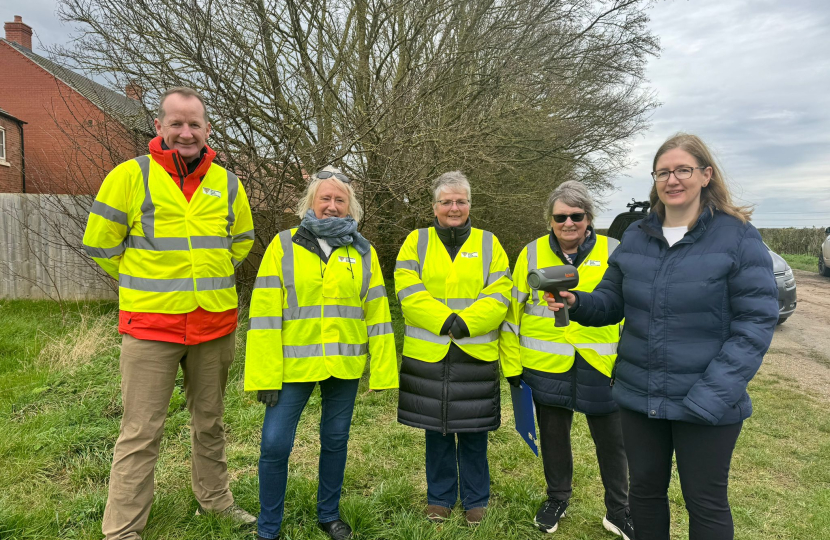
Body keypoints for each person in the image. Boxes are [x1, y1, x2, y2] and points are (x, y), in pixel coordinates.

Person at [544, 133, 778, 540]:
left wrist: (712, 395)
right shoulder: (637, 236)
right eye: (663, 172)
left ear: (706, 175)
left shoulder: (738, 237)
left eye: (683, 170)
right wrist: (576, 302)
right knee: (645, 497)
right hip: (639, 398)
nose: (672, 179)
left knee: (705, 503)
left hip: (705, 400)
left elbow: (755, 324)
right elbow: (610, 303)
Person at [82, 87, 256, 540]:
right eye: (176, 123)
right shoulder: (129, 176)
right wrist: (146, 278)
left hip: (214, 324)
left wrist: (208, 273)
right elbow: (101, 244)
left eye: (194, 124)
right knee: (141, 431)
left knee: (211, 422)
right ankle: (122, 529)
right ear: (158, 127)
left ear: (207, 130)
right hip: (151, 327)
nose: (185, 132)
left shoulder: (229, 183)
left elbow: (240, 242)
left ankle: (215, 504)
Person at [245, 166, 398, 540]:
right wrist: (263, 374)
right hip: (291, 367)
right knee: (275, 444)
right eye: (325, 198)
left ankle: (328, 514)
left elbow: (377, 314)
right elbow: (263, 316)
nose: (332, 205)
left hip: (343, 365)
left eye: (339, 200)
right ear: (310, 203)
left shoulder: (363, 252)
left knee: (335, 440)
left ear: (351, 208)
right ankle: (269, 527)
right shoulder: (283, 245)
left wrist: (382, 372)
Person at [500, 180, 633, 539]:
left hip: (602, 367)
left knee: (613, 443)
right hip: (545, 367)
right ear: (550, 220)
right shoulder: (530, 254)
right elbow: (511, 314)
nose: (569, 223)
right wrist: (512, 367)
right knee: (553, 437)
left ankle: (619, 511)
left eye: (577, 215)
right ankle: (557, 498)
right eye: (561, 217)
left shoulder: (615, 250)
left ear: (589, 218)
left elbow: (633, 311)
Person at [395, 171, 512, 525]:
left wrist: (467, 323)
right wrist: (446, 321)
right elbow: (407, 288)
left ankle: (477, 500)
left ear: (470, 204)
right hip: (429, 355)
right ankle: (440, 498)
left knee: (475, 432)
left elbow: (500, 292)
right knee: (437, 432)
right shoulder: (415, 241)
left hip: (474, 353)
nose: (454, 207)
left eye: (461, 201)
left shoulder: (490, 243)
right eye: (446, 201)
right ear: (434, 206)